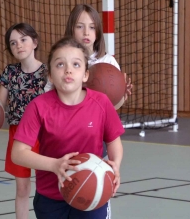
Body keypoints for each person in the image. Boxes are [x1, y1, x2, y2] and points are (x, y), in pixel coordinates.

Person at [11, 37, 124, 219]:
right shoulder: (38, 106)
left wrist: (115, 165)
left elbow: (113, 141)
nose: (68, 69)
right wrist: (55, 165)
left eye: (76, 64)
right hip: (51, 197)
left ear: (86, 74)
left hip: (91, 194)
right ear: (50, 75)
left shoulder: (101, 103)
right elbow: (18, 153)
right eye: (60, 64)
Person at [0, 23, 48, 219]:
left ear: (35, 42)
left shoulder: (47, 73)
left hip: (45, 135)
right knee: (22, 189)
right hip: (19, 136)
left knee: (47, 188)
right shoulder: (10, 73)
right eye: (13, 43)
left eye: (23, 40)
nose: (19, 45)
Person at [45, 4, 132, 104]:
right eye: (80, 26)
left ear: (98, 31)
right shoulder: (62, 59)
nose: (86, 32)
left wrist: (121, 94)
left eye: (92, 27)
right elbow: (48, 94)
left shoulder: (108, 61)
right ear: (71, 29)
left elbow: (114, 106)